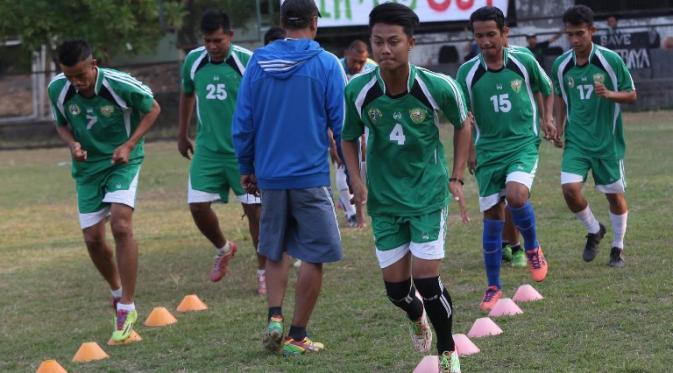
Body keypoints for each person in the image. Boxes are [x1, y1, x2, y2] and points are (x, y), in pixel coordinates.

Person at [341, 3, 470, 372]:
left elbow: (463, 123)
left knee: (427, 281)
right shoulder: (358, 90)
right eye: (377, 41)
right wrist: (355, 178)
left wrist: (456, 176)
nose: (384, 49)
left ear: (410, 43)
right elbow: (348, 137)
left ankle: (447, 351)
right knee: (398, 291)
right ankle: (416, 315)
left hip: (427, 195)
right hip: (384, 199)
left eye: (393, 42)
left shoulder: (437, 86)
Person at [232, 0, 344, 357]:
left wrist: (247, 166)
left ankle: (274, 316)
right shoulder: (326, 63)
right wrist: (352, 169)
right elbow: (341, 122)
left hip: (269, 175)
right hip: (310, 176)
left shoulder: (256, 63)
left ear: (281, 24)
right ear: (314, 22)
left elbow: (244, 121)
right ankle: (297, 335)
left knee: (275, 248)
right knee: (314, 255)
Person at [48, 39, 160, 342]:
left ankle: (127, 306)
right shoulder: (58, 89)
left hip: (122, 161)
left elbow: (152, 108)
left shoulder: (119, 84)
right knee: (93, 239)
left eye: (81, 75)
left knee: (121, 226)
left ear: (93, 64)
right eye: (69, 76)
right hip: (87, 170)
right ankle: (116, 291)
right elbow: (61, 124)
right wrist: (72, 145)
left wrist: (130, 143)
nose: (76, 82)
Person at [457, 6, 553, 311]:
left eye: (491, 35)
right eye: (479, 36)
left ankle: (533, 247)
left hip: (522, 143)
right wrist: (470, 150)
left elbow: (546, 88)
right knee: (493, 217)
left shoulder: (524, 61)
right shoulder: (467, 73)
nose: (485, 42)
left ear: (505, 33)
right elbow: (463, 119)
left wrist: (548, 118)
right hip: (487, 151)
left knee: (516, 195)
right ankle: (493, 286)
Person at [178, 10, 266, 295]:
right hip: (207, 148)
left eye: (218, 40)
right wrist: (182, 133)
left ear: (230, 35)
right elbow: (187, 93)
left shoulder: (248, 61)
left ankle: (264, 272)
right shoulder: (193, 60)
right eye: (207, 41)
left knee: (255, 212)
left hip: (243, 152)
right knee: (197, 207)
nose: (212, 46)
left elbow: (264, 101)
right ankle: (224, 248)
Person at [552, 5, 636, 268]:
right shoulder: (561, 64)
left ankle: (617, 247)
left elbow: (631, 94)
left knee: (614, 197)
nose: (575, 40)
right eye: (570, 35)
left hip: (607, 142)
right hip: (577, 141)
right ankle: (594, 229)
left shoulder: (610, 60)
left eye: (580, 34)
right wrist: (557, 124)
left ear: (592, 31)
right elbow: (560, 96)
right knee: (570, 190)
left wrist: (611, 94)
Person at [334, 39, 377, 228]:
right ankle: (353, 215)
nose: (358, 66)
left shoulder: (374, 69)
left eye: (362, 62)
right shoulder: (334, 69)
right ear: (346, 54)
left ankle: (363, 211)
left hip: (368, 126)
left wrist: (369, 133)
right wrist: (331, 138)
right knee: (343, 167)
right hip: (340, 127)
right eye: (354, 62)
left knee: (364, 170)